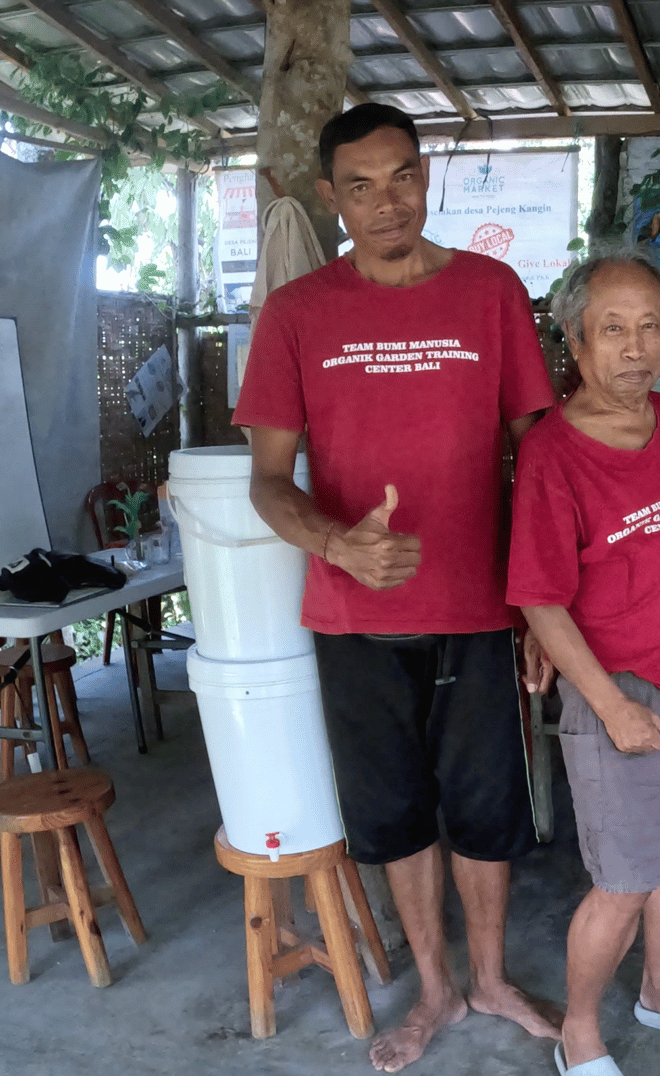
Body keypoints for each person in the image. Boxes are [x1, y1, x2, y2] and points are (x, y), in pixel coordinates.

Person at [236, 102, 559, 1072]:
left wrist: (549, 606)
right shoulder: (297, 315)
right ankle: (436, 985)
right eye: (363, 186)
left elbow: (536, 454)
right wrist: (338, 541)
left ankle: (493, 975)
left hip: (476, 606)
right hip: (352, 616)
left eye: (404, 177)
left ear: (428, 178)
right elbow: (265, 478)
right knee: (394, 812)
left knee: (486, 806)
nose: (388, 202)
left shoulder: (491, 292)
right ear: (332, 198)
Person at [508, 249, 660, 1076]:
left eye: (650, 327)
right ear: (576, 338)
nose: (635, 347)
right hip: (619, 695)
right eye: (613, 329)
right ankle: (581, 1033)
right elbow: (540, 596)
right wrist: (610, 705)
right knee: (622, 881)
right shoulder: (553, 454)